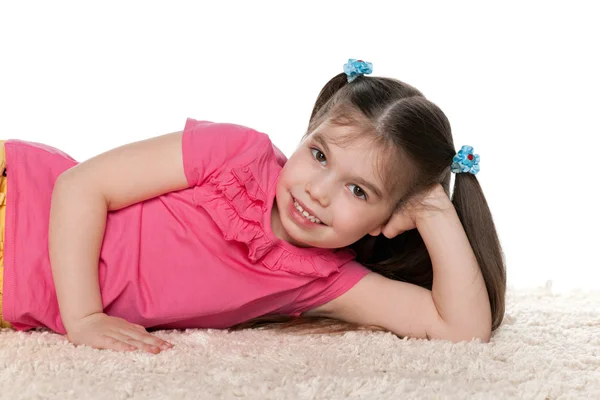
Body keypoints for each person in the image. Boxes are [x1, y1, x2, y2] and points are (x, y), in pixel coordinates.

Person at [0, 59, 506, 354]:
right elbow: (78, 185)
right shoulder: (234, 154)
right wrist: (85, 317)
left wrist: (433, 207)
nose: (317, 191)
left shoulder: (324, 280)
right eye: (319, 154)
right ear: (305, 134)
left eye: (359, 191)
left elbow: (462, 330)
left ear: (392, 220)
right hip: (19, 201)